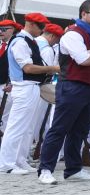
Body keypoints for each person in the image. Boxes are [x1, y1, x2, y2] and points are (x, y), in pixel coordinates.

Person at [37, 0, 90, 185]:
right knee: (59, 128)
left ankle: (73, 169)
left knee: (80, 131)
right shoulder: (72, 34)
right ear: (83, 14)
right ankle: (45, 169)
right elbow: (82, 60)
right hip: (72, 85)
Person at [0, 14, 58, 174]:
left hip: (31, 86)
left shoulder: (28, 41)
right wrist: (53, 68)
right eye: (41, 26)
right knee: (16, 126)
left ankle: (19, 160)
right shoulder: (20, 42)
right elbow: (28, 68)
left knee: (26, 127)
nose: (42, 30)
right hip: (24, 86)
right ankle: (6, 164)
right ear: (31, 24)